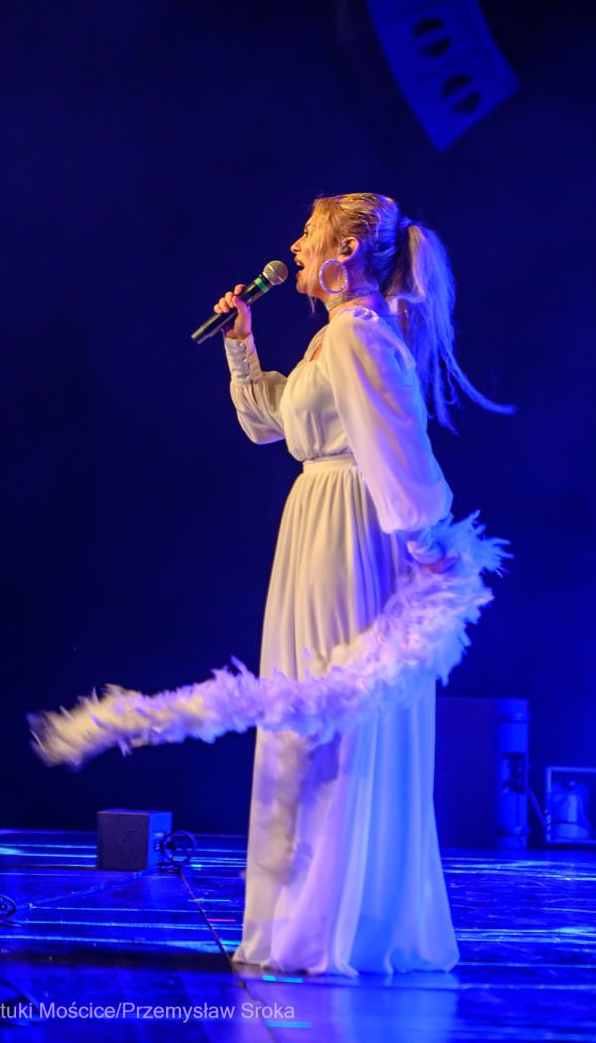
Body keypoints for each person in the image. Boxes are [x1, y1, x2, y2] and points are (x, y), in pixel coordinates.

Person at [215, 191, 514, 977]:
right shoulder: (335, 335)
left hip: (352, 528)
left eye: (308, 234)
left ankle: (334, 927)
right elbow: (271, 425)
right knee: (306, 709)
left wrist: (427, 548)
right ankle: (308, 916)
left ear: (345, 251)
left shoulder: (360, 334)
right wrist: (242, 345)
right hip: (319, 517)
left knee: (333, 712)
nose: (295, 245)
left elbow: (396, 444)